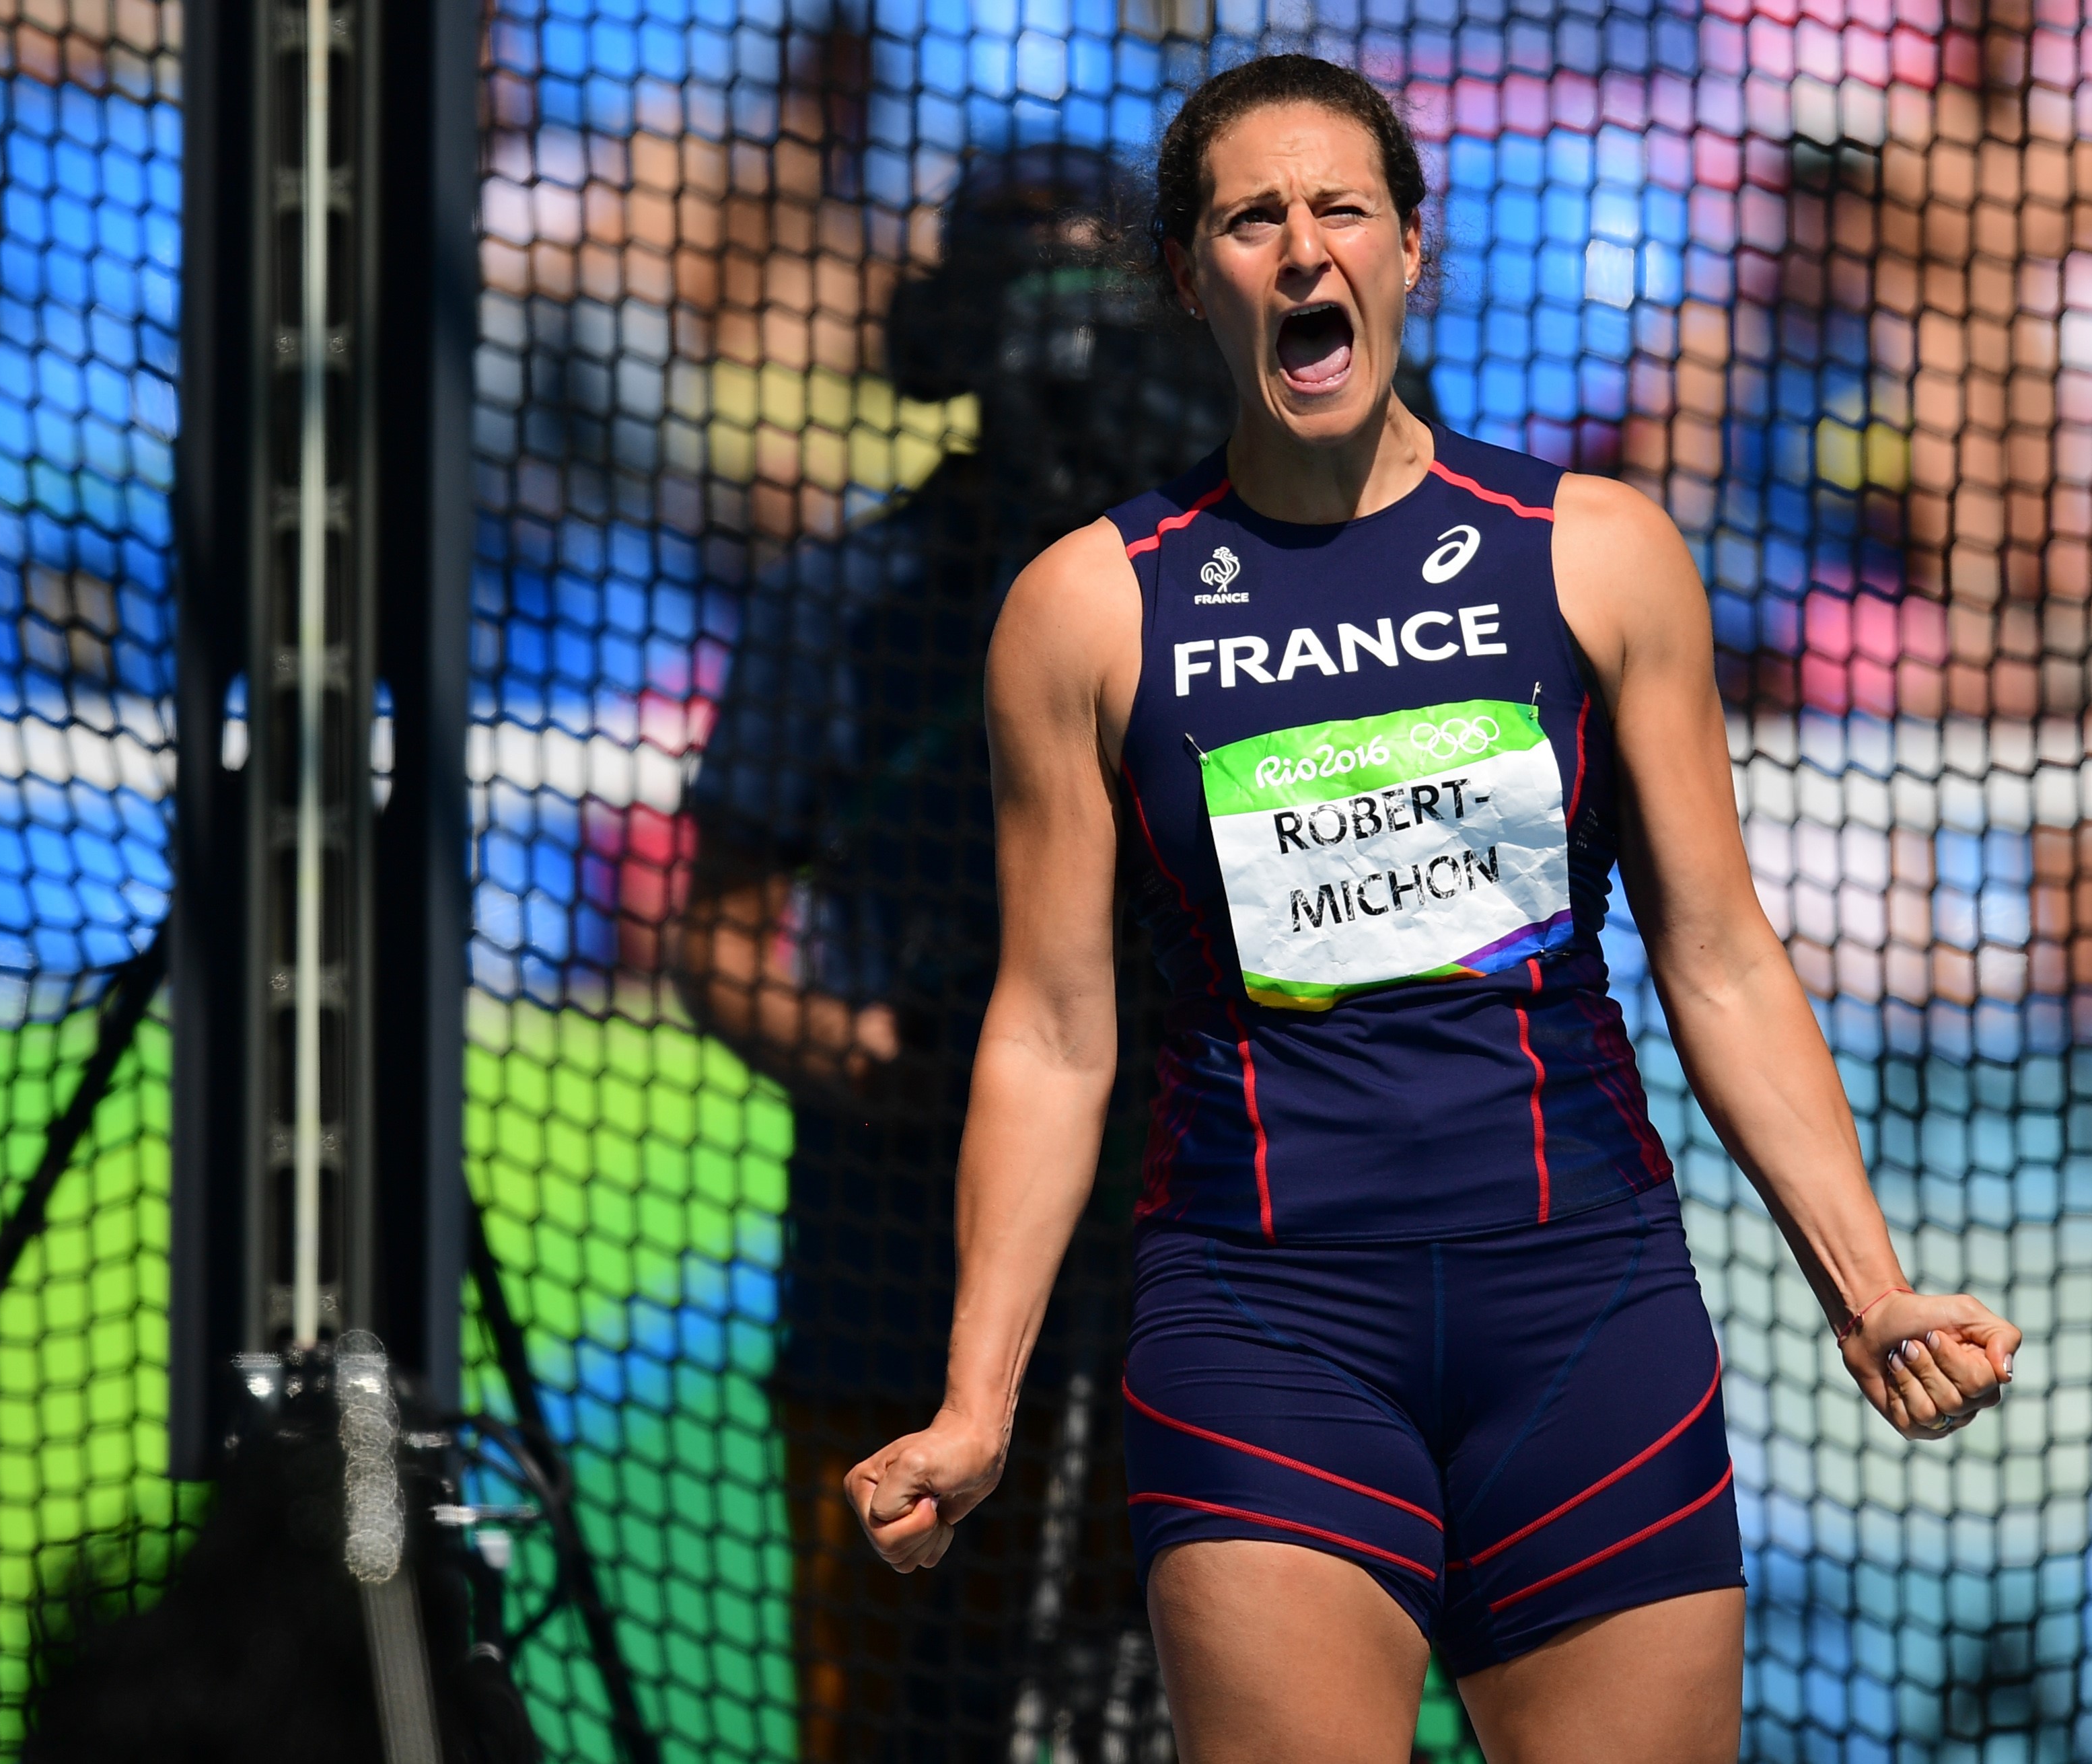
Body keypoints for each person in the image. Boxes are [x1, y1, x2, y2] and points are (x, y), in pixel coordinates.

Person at [844, 54, 2024, 1762]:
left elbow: (1718, 954)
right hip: (1262, 1330)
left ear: (1414, 247)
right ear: (1192, 277)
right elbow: (1048, 1027)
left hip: (1585, 1320)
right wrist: (976, 1400)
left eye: (1341, 209)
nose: (1303, 250)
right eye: (1253, 218)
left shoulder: (1593, 553)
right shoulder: (1088, 608)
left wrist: (1870, 1292)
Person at [671, 146, 1237, 1759]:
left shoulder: (1220, 599)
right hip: (885, 1288)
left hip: (1180, 1280)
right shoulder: (836, 603)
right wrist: (876, 1065)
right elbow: (711, 935)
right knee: (890, 1727)